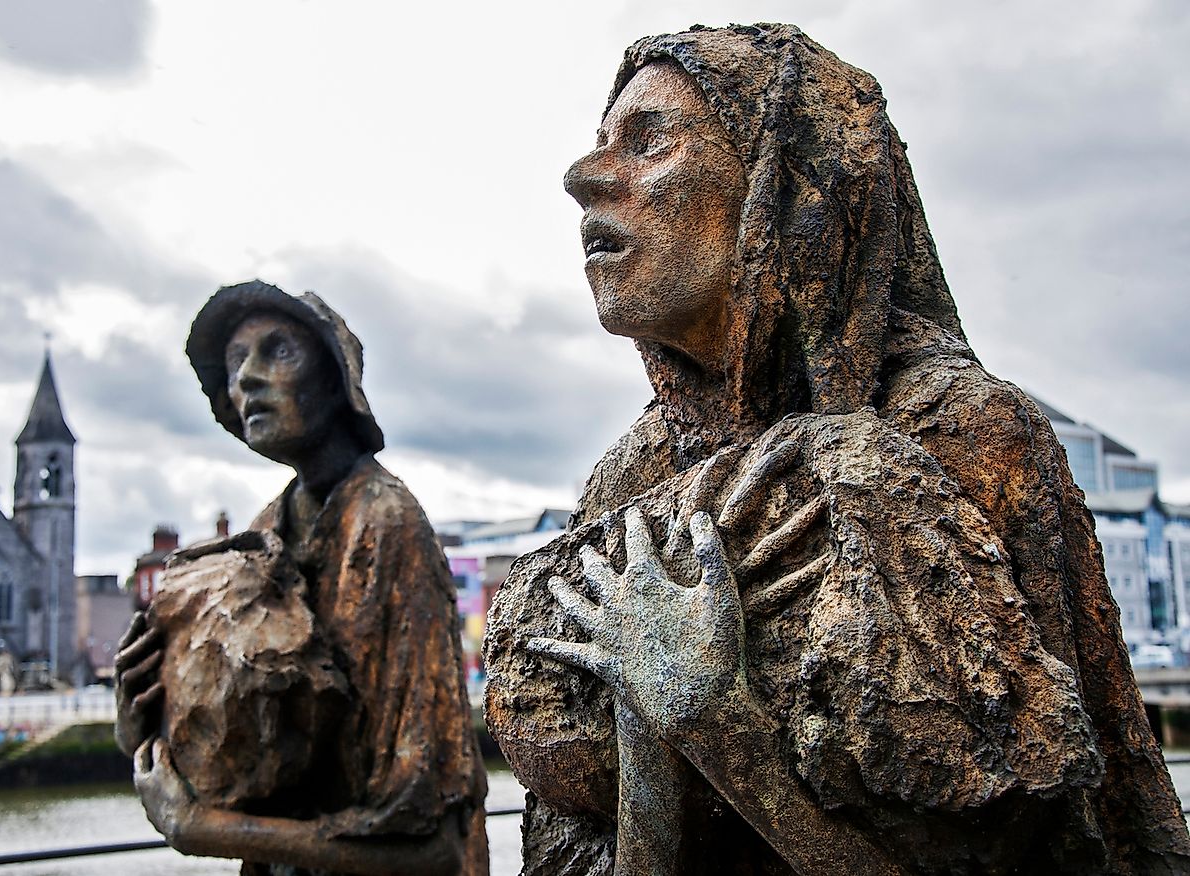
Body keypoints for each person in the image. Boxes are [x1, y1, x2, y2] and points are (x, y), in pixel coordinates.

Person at [483, 24, 1190, 875]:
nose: (584, 178)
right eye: (604, 144)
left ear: (790, 186)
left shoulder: (963, 434)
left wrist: (719, 726)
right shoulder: (626, 483)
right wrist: (646, 731)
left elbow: (1065, 850)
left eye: (650, 140)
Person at [115, 280, 488, 876]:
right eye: (236, 363)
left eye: (278, 351)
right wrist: (145, 725)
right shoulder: (267, 529)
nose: (247, 379)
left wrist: (200, 829)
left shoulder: (385, 524)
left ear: (337, 379)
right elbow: (261, 761)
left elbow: (434, 845)